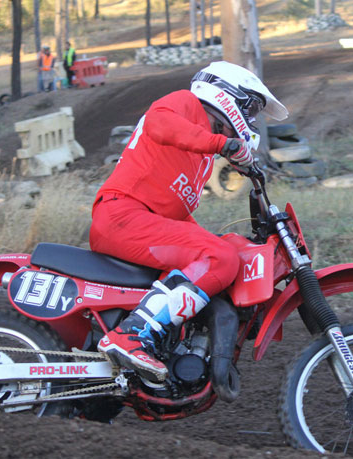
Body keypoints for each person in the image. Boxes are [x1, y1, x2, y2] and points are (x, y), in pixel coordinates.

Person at [90, 61, 288, 383]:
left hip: (138, 221)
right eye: (250, 109)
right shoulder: (185, 104)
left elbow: (176, 216)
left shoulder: (200, 156)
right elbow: (158, 123)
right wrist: (223, 144)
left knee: (225, 252)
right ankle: (132, 336)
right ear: (227, 95)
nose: (250, 121)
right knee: (219, 256)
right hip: (122, 215)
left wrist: (219, 245)